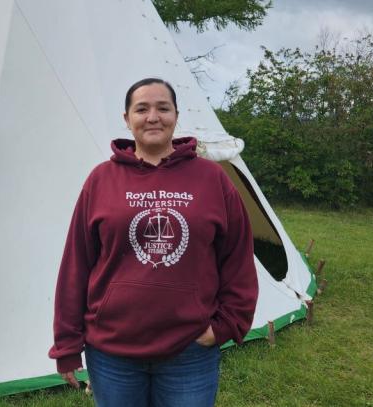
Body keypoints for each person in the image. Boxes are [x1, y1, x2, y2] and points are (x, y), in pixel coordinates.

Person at [48, 77, 258, 407]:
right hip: (111, 352)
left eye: (163, 108)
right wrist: (67, 344)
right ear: (126, 118)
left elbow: (237, 258)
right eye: (141, 109)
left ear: (176, 114)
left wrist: (226, 324)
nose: (153, 117)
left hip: (190, 349)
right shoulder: (101, 179)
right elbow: (77, 263)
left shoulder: (211, 178)